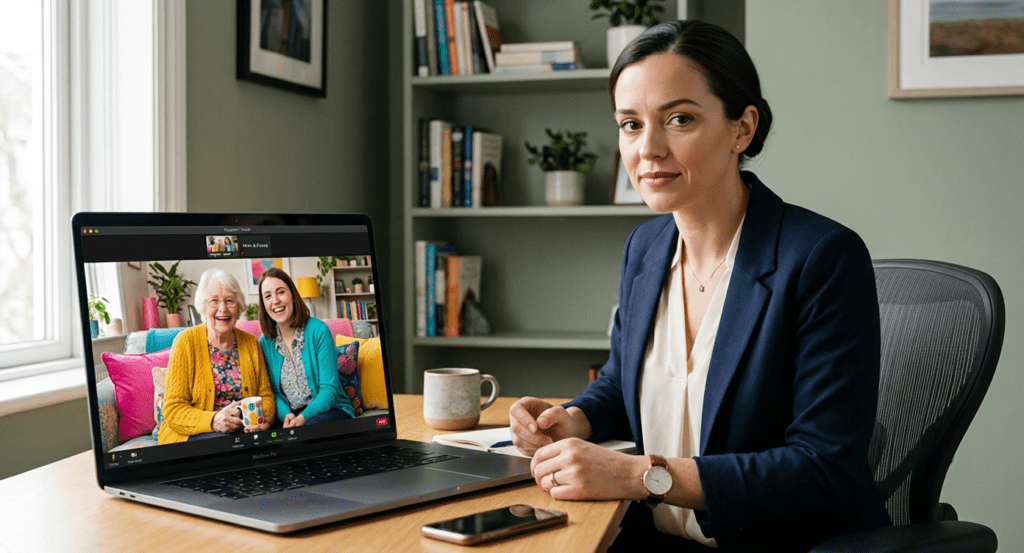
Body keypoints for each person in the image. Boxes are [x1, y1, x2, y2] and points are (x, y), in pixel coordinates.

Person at [509, 21, 891, 552]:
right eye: (630, 125)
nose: (649, 150)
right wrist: (574, 420)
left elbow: (824, 469)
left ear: (743, 129)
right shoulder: (645, 248)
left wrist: (641, 475)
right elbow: (625, 384)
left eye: (679, 119)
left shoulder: (822, 257)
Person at [159, 269, 275, 444]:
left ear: (239, 307)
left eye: (230, 301)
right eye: (214, 301)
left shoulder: (251, 344)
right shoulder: (185, 342)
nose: (223, 309)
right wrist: (213, 420)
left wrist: (262, 420)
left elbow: (265, 396)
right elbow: (173, 409)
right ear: (203, 307)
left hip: (243, 432)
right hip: (197, 435)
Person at [257, 267, 355, 428]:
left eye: (281, 292)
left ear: (292, 295)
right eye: (268, 296)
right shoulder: (265, 342)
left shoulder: (318, 330)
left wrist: (303, 417)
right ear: (264, 304)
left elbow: (329, 390)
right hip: (292, 416)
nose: (275, 301)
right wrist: (286, 415)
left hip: (331, 410)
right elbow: (274, 393)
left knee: (304, 435)